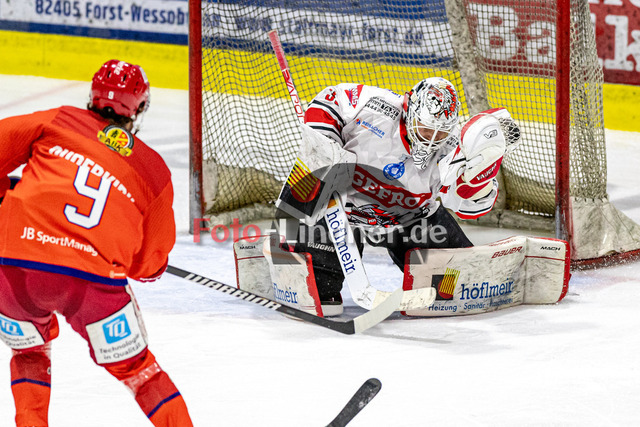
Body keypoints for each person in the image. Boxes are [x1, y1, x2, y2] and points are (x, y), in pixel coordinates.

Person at [0, 59, 193, 426]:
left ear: (93, 96)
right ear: (138, 108)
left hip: (14, 265)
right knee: (141, 374)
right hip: (90, 282)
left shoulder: (59, 119)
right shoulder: (152, 168)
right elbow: (148, 264)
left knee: (29, 354)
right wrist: (147, 267)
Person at [285, 77, 518, 315]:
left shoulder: (453, 148)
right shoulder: (373, 106)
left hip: (409, 221)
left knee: (458, 287)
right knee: (318, 296)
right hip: (344, 212)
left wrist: (477, 179)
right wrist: (323, 145)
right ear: (409, 110)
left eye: (440, 133)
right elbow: (329, 100)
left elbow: (467, 208)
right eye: (426, 128)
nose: (430, 139)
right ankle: (291, 255)